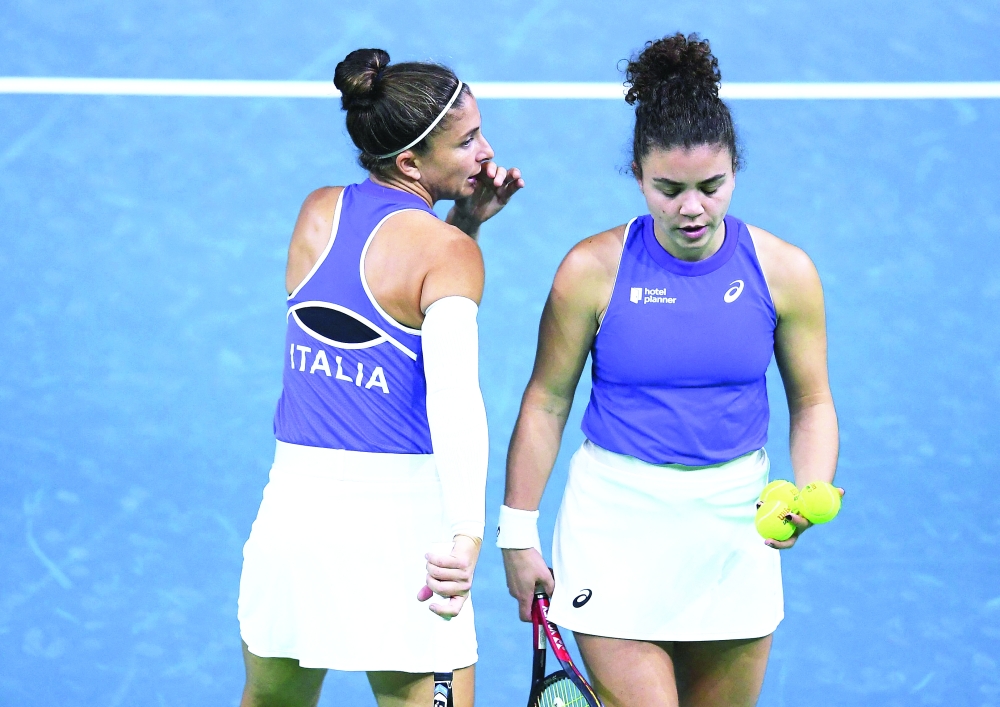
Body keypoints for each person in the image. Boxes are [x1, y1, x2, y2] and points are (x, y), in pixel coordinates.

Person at [497, 33, 839, 707]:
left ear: (735, 170)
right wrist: (517, 533)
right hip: (616, 526)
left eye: (711, 187)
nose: (692, 208)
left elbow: (814, 403)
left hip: (734, 527)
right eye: (669, 188)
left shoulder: (785, 272)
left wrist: (808, 488)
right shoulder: (591, 271)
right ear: (637, 172)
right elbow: (545, 402)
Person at [237, 48, 523, 707]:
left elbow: (386, 297)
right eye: (468, 140)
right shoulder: (447, 254)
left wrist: (466, 222)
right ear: (410, 163)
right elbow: (453, 400)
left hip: (292, 521)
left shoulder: (316, 211)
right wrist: (466, 535)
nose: (486, 154)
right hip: (401, 531)